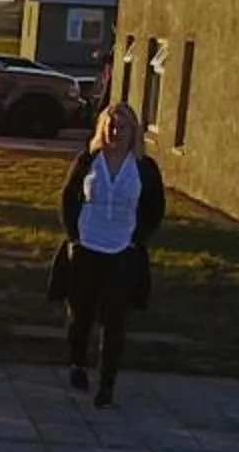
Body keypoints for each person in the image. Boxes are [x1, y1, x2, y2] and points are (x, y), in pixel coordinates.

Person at [48, 101, 165, 406]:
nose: (116, 132)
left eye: (122, 127)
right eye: (111, 126)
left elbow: (155, 207)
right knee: (80, 312)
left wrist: (138, 238)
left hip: (121, 249)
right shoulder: (89, 160)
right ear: (102, 129)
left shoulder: (144, 168)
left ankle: (107, 383)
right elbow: (67, 196)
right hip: (87, 245)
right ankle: (77, 363)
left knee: (114, 317)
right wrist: (73, 235)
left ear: (132, 132)